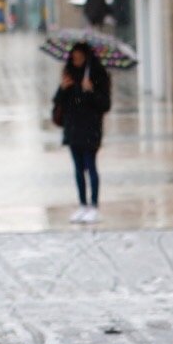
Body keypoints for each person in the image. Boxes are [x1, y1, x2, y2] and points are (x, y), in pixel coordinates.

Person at [53, 43, 112, 222]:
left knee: (91, 166)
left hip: (90, 128)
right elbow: (57, 102)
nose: (76, 60)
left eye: (80, 56)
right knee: (78, 169)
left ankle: (94, 205)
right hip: (72, 129)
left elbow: (105, 104)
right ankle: (82, 204)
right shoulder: (68, 75)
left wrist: (90, 91)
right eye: (74, 56)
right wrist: (63, 88)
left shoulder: (99, 76)